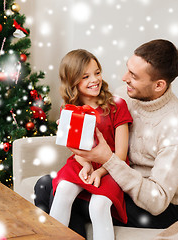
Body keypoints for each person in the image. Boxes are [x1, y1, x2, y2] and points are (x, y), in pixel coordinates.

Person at [34, 39, 178, 238]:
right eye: (128, 69)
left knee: (51, 190)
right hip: (118, 177)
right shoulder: (126, 96)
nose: (123, 78)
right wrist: (73, 128)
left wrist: (107, 161)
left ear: (159, 85)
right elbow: (98, 120)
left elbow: (156, 202)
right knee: (47, 185)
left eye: (133, 76)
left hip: (152, 205)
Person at [49, 49, 133, 240]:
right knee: (63, 190)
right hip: (82, 162)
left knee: (99, 205)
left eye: (97, 73)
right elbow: (76, 148)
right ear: (72, 81)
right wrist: (86, 165)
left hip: (112, 167)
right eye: (85, 76)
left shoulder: (117, 105)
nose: (94, 80)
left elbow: (121, 154)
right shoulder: (69, 109)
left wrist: (100, 172)